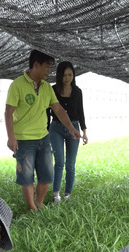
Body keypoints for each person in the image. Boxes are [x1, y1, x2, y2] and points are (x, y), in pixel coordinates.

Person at [5, 50, 81, 211]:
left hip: (44, 138)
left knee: (47, 177)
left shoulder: (47, 87)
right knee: (26, 178)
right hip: (24, 140)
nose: (49, 71)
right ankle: (33, 209)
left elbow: (59, 110)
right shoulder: (17, 85)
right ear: (36, 65)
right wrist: (11, 137)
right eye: (47, 67)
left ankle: (38, 204)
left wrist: (72, 128)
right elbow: (8, 112)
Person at [48, 61, 88, 203]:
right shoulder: (52, 90)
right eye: (64, 75)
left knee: (71, 164)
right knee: (59, 162)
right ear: (59, 76)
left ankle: (68, 194)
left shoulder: (77, 91)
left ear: (73, 75)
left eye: (70, 74)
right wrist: (46, 130)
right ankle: (56, 195)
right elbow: (48, 111)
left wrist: (84, 131)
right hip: (56, 128)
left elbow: (81, 112)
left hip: (74, 129)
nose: (67, 78)